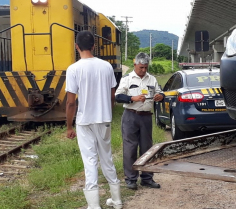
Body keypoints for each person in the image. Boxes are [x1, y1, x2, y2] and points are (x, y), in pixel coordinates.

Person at [65, 30, 122, 209]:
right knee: (107, 158)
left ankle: (94, 205)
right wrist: (108, 112)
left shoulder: (73, 69)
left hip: (84, 121)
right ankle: (117, 200)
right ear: (93, 46)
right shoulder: (106, 67)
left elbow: (71, 102)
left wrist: (68, 126)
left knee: (89, 161)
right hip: (103, 119)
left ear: (76, 47)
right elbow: (112, 95)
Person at [115, 52, 164, 190]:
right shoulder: (127, 79)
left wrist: (160, 96)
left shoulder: (152, 79)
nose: (143, 70)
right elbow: (118, 96)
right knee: (130, 148)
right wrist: (132, 98)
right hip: (131, 116)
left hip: (146, 117)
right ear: (134, 64)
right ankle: (131, 179)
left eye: (145, 67)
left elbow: (160, 92)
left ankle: (147, 178)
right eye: (141, 67)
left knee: (147, 149)